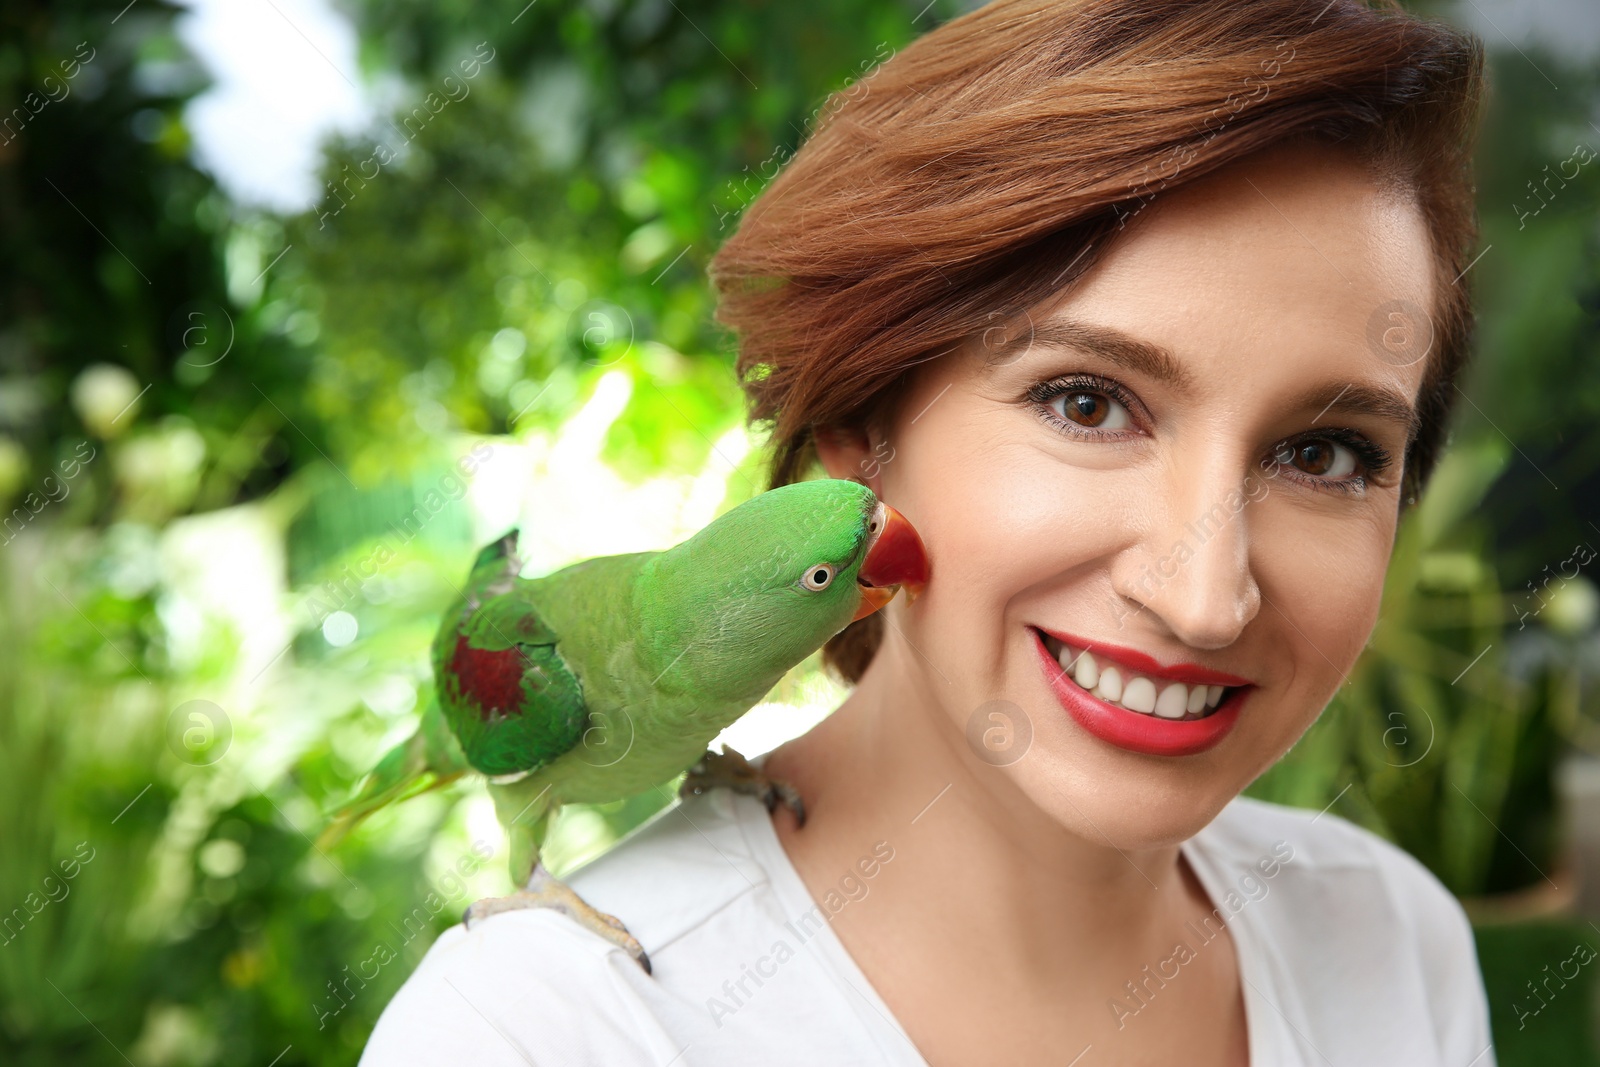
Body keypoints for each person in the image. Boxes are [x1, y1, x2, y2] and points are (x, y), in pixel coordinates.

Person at [361, 0, 1494, 1062]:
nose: (1204, 595)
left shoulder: (1397, 944)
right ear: (863, 431)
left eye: (1324, 452)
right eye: (1085, 402)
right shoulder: (540, 1030)